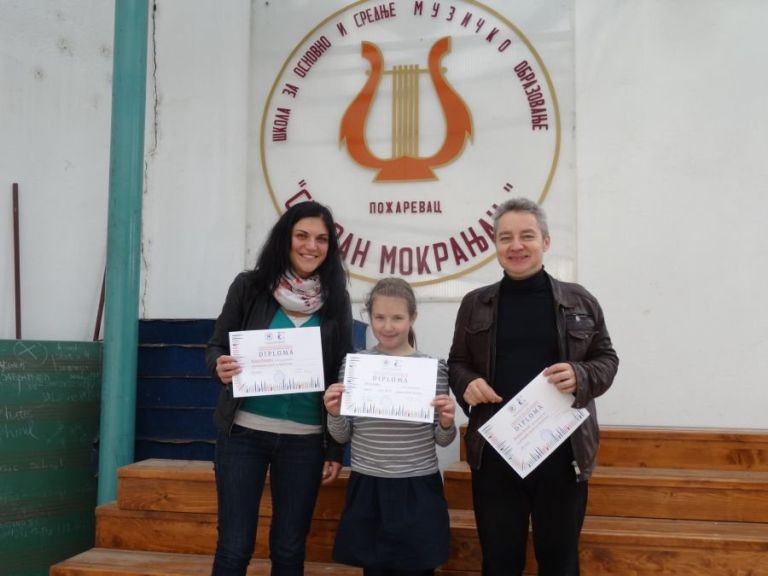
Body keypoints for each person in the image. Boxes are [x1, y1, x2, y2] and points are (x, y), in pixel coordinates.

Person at [448, 198, 619, 576]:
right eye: (505, 237)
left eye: (527, 236)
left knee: (559, 563)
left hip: (563, 456)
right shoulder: (475, 304)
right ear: (495, 245)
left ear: (546, 241)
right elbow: (457, 362)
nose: (516, 246)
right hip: (495, 454)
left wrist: (581, 375)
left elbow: (607, 359)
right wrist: (467, 383)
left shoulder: (580, 300)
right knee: (499, 563)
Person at [206, 201, 353, 576]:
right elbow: (216, 346)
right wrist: (219, 365)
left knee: (289, 549)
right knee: (234, 547)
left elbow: (343, 372)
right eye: (302, 235)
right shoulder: (250, 286)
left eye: (321, 239)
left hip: (306, 441)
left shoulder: (336, 298)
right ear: (285, 239)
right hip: (243, 435)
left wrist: (335, 448)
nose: (311, 246)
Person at [323, 278, 457, 576]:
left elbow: (442, 439)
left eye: (397, 318)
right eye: (379, 317)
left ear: (413, 317)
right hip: (368, 483)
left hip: (417, 485)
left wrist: (447, 422)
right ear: (369, 317)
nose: (387, 326)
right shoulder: (355, 366)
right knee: (375, 570)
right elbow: (342, 435)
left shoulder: (433, 369)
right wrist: (334, 413)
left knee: (419, 569)